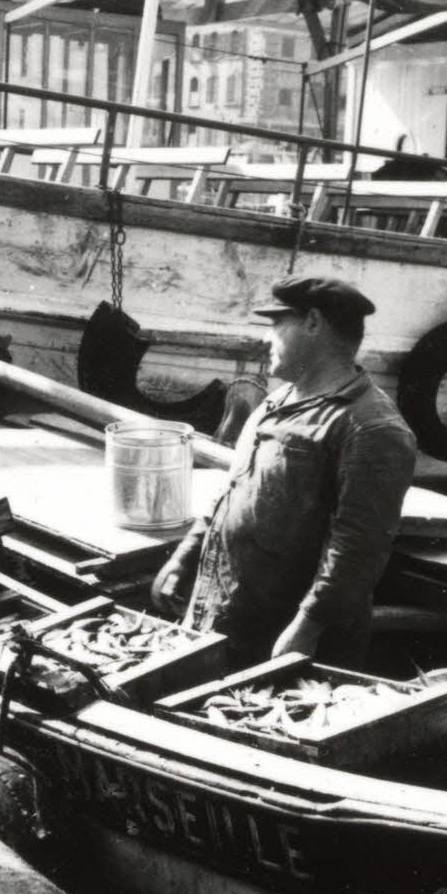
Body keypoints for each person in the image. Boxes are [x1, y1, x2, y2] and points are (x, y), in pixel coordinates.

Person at [151, 275, 417, 668]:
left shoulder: (371, 427)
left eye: (277, 324)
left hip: (287, 639)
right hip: (227, 615)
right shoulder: (276, 402)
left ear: (312, 323)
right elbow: (232, 491)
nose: (267, 338)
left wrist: (308, 627)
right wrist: (185, 557)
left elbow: (358, 548)